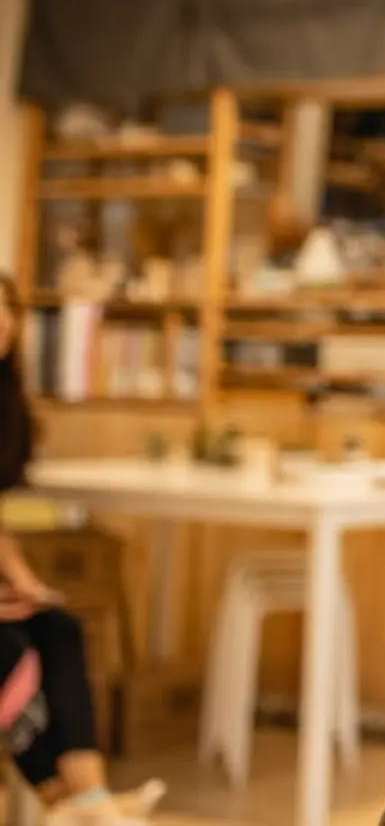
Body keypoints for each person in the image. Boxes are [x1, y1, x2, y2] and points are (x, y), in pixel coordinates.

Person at [0, 274, 164, 825]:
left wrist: (22, 583)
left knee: (58, 626)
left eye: (7, 307)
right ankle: (64, 804)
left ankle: (89, 800)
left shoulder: (9, 405)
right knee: (10, 650)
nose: (0, 319)